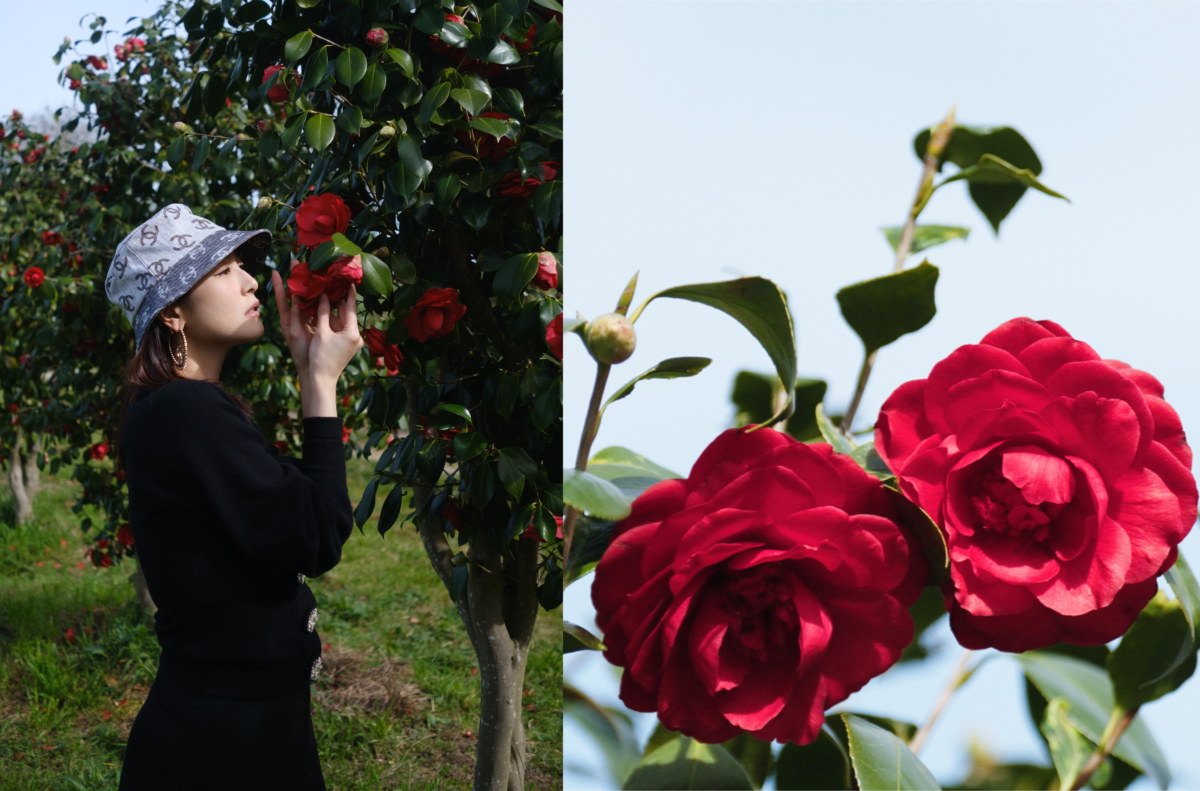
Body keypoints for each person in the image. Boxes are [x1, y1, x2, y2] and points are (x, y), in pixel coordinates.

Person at [107, 203, 364, 790]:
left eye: (241, 266)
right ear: (172, 312)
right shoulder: (188, 409)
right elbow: (316, 535)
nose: (250, 280)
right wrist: (320, 382)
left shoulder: (173, 408)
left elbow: (287, 509)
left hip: (230, 723)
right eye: (222, 271)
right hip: (224, 745)